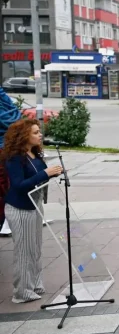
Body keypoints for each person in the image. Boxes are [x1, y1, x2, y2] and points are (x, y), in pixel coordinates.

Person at [2, 119, 63, 303]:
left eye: (39, 132)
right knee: (24, 251)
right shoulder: (14, 158)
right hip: (20, 208)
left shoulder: (34, 154)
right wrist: (45, 174)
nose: (40, 135)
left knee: (35, 248)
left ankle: (35, 284)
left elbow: (38, 178)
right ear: (24, 136)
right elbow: (20, 186)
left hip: (35, 205)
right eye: (36, 132)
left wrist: (53, 173)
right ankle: (21, 292)